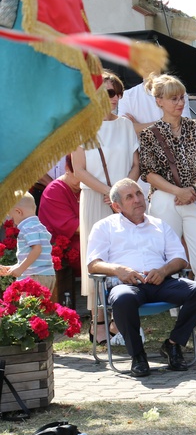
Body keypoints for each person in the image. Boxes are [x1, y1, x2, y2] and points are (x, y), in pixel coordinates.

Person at [87, 179, 196, 377]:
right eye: (130, 197)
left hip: (160, 281)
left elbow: (180, 259)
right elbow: (93, 264)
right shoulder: (104, 227)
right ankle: (138, 356)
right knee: (123, 298)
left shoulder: (160, 225)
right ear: (117, 206)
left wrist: (163, 271)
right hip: (127, 284)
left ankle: (173, 344)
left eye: (139, 194)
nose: (137, 200)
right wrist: (118, 270)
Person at [72, 70, 140, 338]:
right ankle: (98, 322)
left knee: (124, 254)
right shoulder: (80, 126)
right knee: (97, 258)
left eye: (110, 92)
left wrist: (122, 194)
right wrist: (110, 192)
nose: (104, 97)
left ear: (118, 96)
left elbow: (136, 165)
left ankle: (120, 319)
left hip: (124, 201)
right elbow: (78, 169)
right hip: (95, 197)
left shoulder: (125, 125)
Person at [138, 74, 196, 289]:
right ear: (159, 101)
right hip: (164, 198)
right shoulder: (149, 134)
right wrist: (178, 191)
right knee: (168, 258)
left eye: (181, 98)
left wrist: (193, 188)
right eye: (174, 99)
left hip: (194, 197)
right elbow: (148, 173)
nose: (180, 103)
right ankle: (176, 309)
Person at [0, 191, 55, 292]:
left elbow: (36, 250)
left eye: (11, 216)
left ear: (18, 212)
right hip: (46, 274)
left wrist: (20, 269)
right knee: (41, 307)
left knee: (28, 306)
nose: (11, 220)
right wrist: (12, 268)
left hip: (34, 277)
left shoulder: (27, 228)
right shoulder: (39, 227)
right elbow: (34, 258)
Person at [38, 154, 81, 276]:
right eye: (80, 176)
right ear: (67, 168)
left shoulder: (85, 188)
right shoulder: (54, 190)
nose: (84, 182)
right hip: (67, 251)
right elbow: (75, 228)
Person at [119, 72, 191, 134]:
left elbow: (183, 127)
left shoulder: (179, 92)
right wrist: (167, 124)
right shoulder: (127, 96)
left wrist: (138, 127)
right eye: (174, 99)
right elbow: (124, 130)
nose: (180, 103)